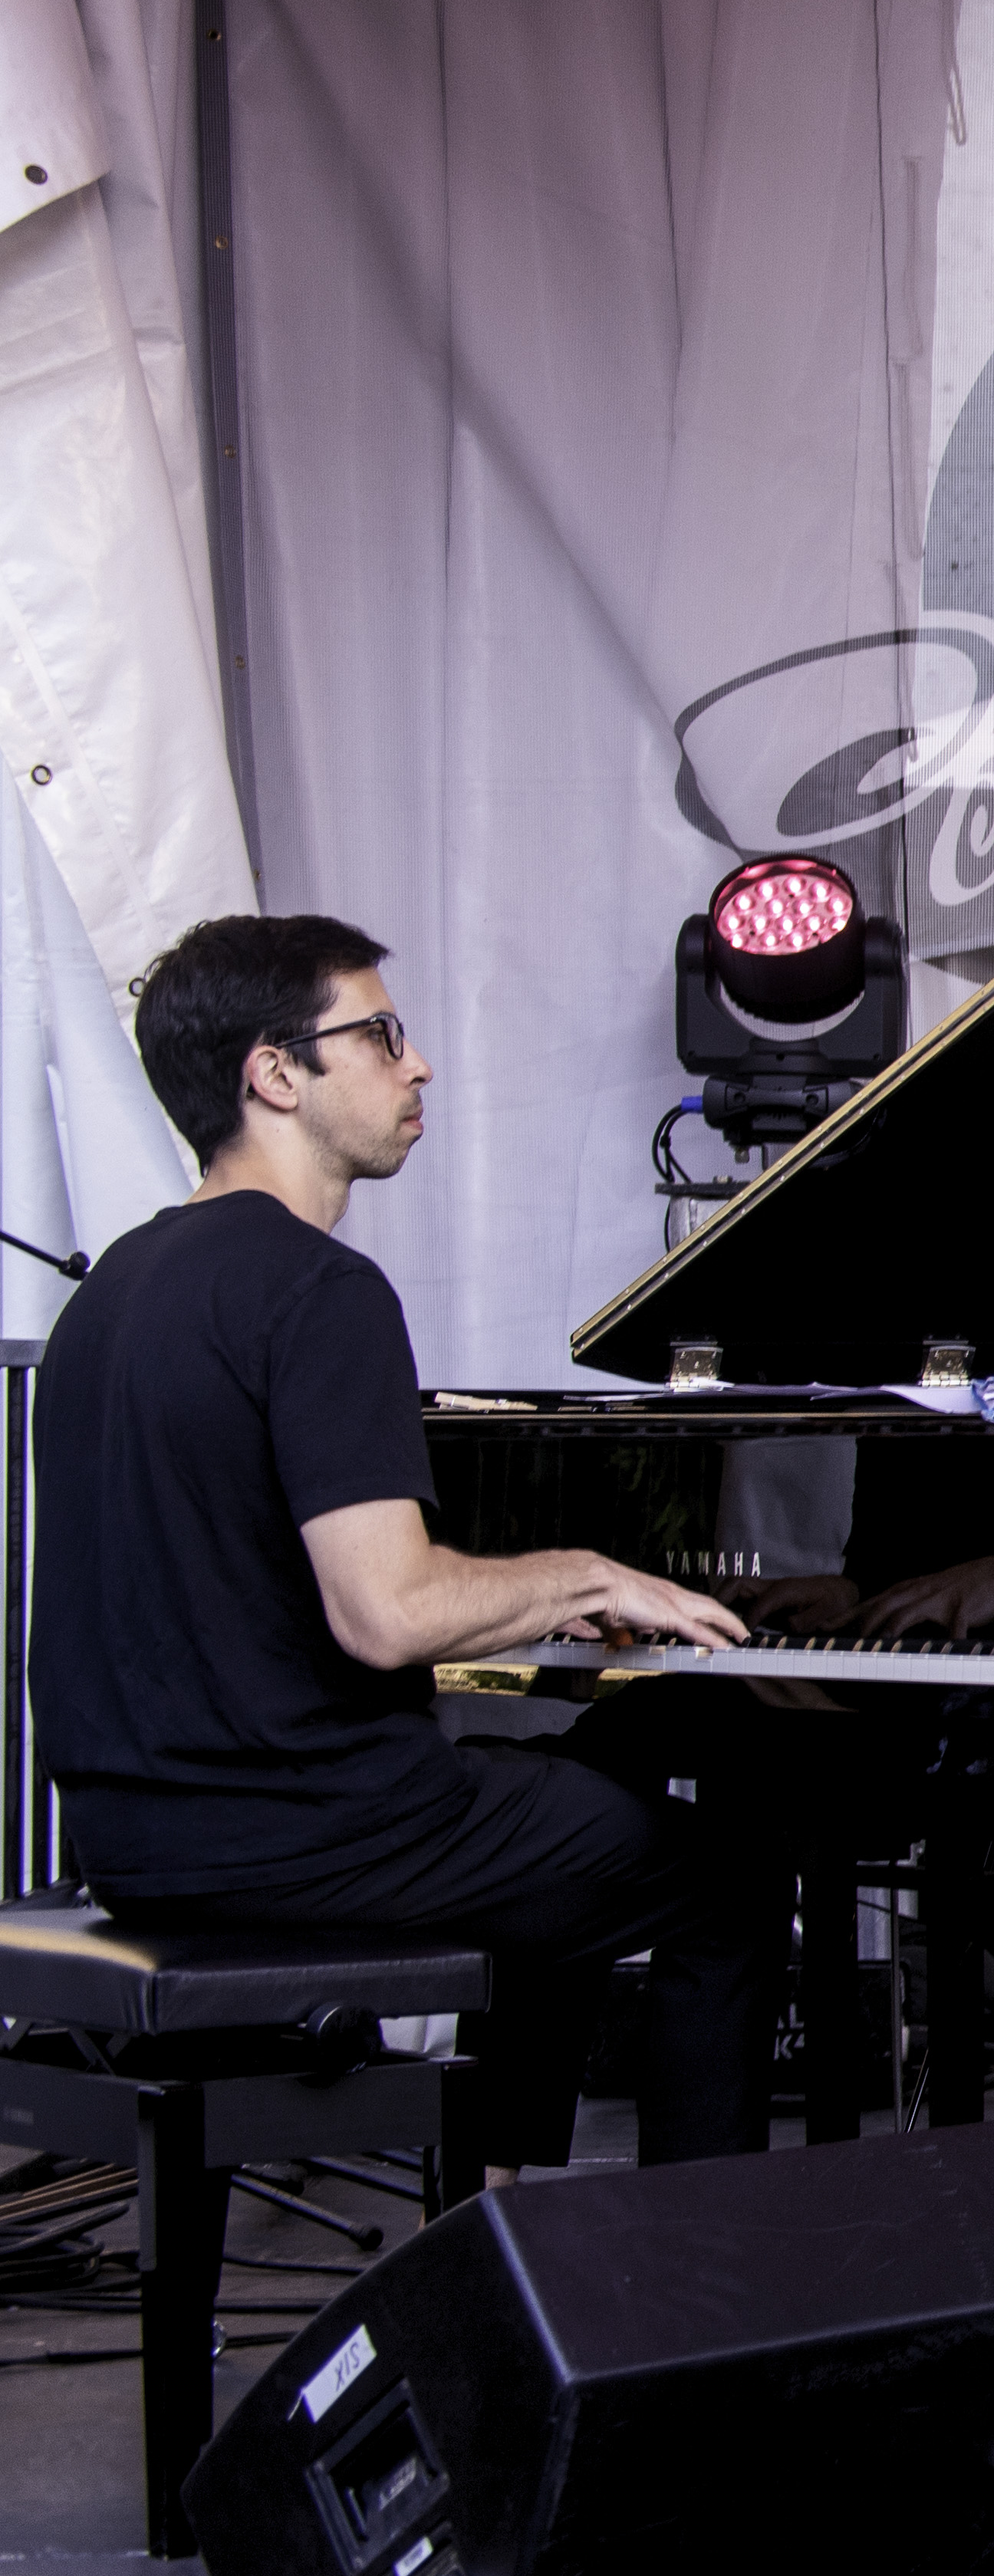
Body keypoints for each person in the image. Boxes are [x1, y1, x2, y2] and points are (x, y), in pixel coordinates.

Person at [37, 916, 774, 2170]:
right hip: (315, 1839)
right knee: (720, 1877)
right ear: (275, 1073)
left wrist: (520, 1606)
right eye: (378, 1033)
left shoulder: (111, 1292)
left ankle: (506, 2220)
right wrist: (584, 1572)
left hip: (141, 1843)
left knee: (573, 1816)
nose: (417, 1061)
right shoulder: (318, 1289)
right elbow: (383, 1612)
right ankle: (698, 2305)